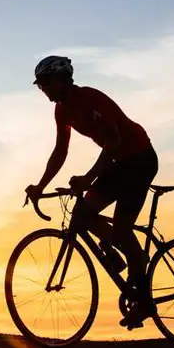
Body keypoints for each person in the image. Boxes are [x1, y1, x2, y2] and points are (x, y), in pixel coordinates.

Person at [24, 55, 160, 329]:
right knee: (83, 213)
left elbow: (113, 141)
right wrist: (40, 185)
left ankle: (142, 292)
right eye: (40, 86)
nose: (44, 90)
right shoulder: (62, 110)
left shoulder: (90, 99)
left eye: (47, 83)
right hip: (118, 162)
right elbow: (60, 150)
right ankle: (118, 248)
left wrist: (88, 177)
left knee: (123, 229)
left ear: (63, 79)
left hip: (139, 159)